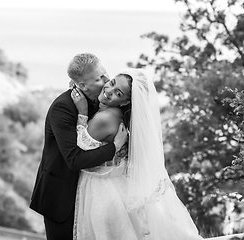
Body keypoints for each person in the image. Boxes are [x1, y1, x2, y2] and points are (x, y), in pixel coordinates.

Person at [70, 68, 204, 240]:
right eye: (111, 83)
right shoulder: (121, 117)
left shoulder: (104, 119)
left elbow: (79, 149)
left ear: (126, 101)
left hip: (100, 189)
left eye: (118, 92)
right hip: (118, 185)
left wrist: (82, 112)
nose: (109, 90)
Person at [29, 53, 128, 240]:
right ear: (82, 86)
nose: (107, 80)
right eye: (100, 78)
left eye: (105, 74)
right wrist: (114, 147)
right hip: (61, 197)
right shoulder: (62, 108)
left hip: (92, 195)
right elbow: (74, 159)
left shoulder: (101, 100)